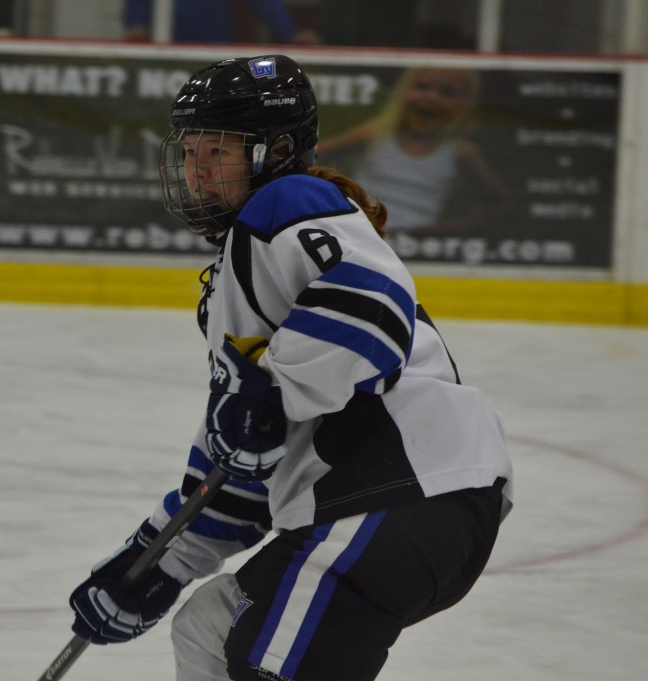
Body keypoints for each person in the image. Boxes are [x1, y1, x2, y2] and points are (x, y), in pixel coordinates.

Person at [67, 55, 513, 680]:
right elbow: (241, 465)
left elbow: (372, 301)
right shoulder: (241, 269)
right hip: (400, 506)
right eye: (191, 151)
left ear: (274, 149)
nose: (196, 170)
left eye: (216, 152)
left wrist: (274, 393)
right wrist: (154, 563)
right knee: (211, 629)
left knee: (269, 664)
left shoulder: (288, 201)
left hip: (402, 492)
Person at [315, 66, 509, 234]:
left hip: (416, 243)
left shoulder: (460, 152)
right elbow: (313, 155)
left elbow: (500, 202)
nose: (432, 97)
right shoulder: (376, 134)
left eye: (447, 92)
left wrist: (453, 229)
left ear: (464, 105)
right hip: (362, 233)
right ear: (403, 91)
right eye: (422, 87)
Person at [123, 0, 319, 44]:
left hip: (212, 52)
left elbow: (264, 2)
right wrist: (137, 25)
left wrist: (290, 33)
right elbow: (137, 6)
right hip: (164, 55)